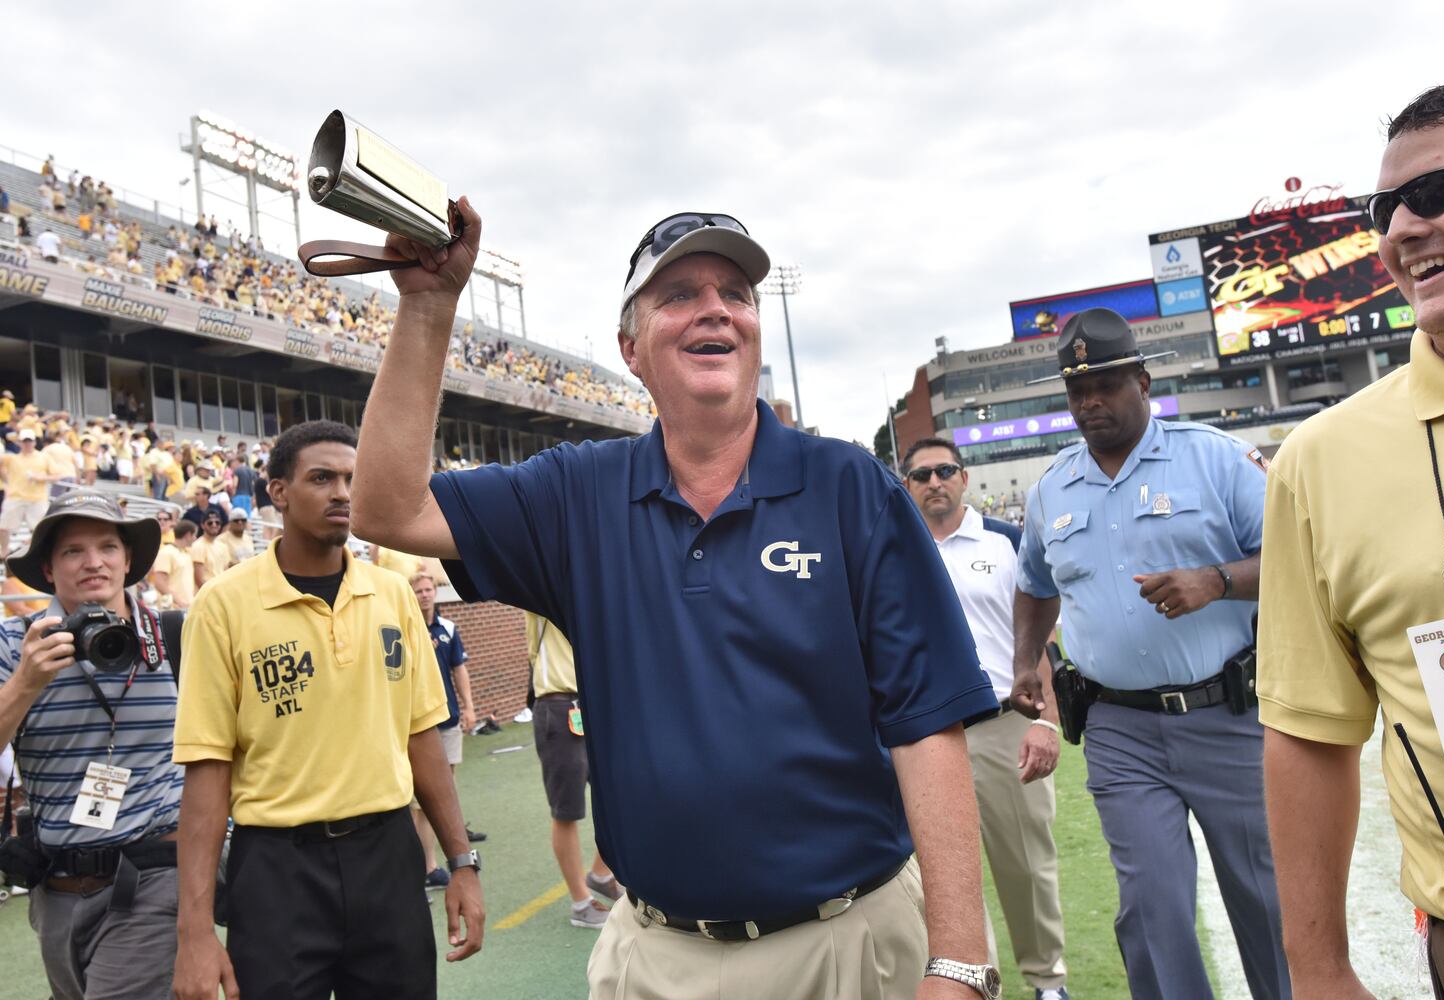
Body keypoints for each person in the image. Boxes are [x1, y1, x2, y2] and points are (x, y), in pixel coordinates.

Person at [353, 205, 1003, 1000]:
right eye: (680, 293)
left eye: (735, 292)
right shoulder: (578, 492)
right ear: (631, 348)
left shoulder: (847, 486)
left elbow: (925, 719)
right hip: (655, 955)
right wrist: (427, 306)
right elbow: (387, 509)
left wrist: (959, 959)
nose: (715, 308)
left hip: (849, 939)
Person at [1259, 76, 1444, 1000]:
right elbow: (1308, 732)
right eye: (1385, 206)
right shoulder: (1321, 459)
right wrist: (1319, 972)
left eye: (1442, 191)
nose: (1402, 228)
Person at [1008, 308, 1287, 1000]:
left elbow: (1293, 553)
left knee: (1265, 894)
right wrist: (1023, 664)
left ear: (1141, 380)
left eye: (1103, 385)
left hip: (1226, 716)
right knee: (1152, 904)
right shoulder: (1050, 490)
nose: (1089, 403)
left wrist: (1215, 581)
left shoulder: (1212, 456)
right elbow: (1033, 586)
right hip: (1116, 727)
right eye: (1076, 392)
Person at [171, 420, 484, 1000]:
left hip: (389, 857)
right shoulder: (222, 606)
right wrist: (194, 932)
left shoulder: (391, 595)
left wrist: (462, 861)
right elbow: (207, 771)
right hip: (276, 870)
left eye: (351, 479)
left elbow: (422, 740)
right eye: (322, 478)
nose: (343, 493)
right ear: (278, 493)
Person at [902, 437, 1070, 1000]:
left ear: (964, 478)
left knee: (1025, 865)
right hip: (927, 735)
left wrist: (1046, 722)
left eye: (944, 470)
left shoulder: (1005, 541)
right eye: (921, 475)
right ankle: (976, 985)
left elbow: (1043, 636)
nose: (934, 482)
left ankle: (1048, 982)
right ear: (908, 485)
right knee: (940, 879)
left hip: (1004, 723)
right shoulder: (896, 550)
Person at [0, 491, 181, 1000]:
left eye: (107, 546)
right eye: (73, 551)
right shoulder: (14, 643)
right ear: (48, 569)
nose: (94, 562)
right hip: (54, 889)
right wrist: (25, 684)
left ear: (128, 561)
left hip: (154, 875)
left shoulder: (175, 635)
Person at [524, 610, 621, 929]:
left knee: (621, 798)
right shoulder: (540, 592)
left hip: (592, 704)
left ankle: (600, 874)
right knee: (566, 810)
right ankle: (581, 902)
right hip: (559, 706)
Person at [408, 568, 486, 894]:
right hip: (417, 726)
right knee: (419, 802)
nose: (425, 595)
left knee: (445, 790)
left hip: (448, 720)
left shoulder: (448, 628)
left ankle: (451, 854)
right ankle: (428, 866)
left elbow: (459, 669)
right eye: (419, 590)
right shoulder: (405, 628)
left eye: (428, 590)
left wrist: (468, 707)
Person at [2, 429, 59, 555]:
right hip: (16, 496)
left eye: (30, 440)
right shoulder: (12, 458)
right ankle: (4, 552)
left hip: (37, 498)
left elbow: (57, 476)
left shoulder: (44, 457)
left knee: (40, 528)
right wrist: (6, 484)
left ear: (34, 442)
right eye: (25, 441)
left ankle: (33, 550)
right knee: (3, 526)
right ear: (20, 443)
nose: (27, 443)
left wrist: (40, 478)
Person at [151, 520, 197, 610]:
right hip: (172, 610)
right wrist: (180, 603)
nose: (195, 538)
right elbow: (159, 583)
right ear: (188, 535)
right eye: (194, 535)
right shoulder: (166, 552)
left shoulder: (186, 553)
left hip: (186, 608)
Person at [188, 508, 230, 589]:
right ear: (202, 525)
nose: (214, 525)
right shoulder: (198, 546)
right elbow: (198, 579)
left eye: (217, 522)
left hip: (220, 590)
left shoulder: (223, 546)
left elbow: (226, 572)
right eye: (210, 523)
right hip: (206, 593)